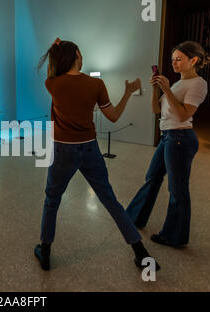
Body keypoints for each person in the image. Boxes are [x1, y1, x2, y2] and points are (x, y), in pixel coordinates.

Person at [34, 38, 160, 272]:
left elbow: (51, 69)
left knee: (52, 200)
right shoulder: (96, 84)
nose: (82, 57)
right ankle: (140, 252)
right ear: (77, 56)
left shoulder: (52, 83)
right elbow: (113, 116)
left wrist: (54, 48)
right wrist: (128, 92)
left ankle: (46, 252)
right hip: (90, 148)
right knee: (110, 199)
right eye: (80, 54)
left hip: (63, 150)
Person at [126, 41, 210, 247]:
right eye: (172, 60)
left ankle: (174, 237)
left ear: (193, 60)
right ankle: (134, 217)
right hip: (168, 137)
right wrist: (157, 89)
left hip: (181, 139)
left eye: (179, 60)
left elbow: (184, 115)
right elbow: (156, 110)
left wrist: (168, 89)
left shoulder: (198, 84)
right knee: (152, 177)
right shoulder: (177, 83)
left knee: (177, 189)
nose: (174, 64)